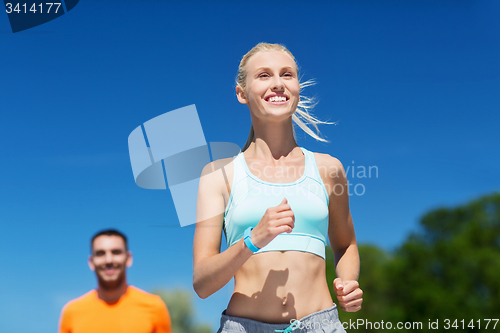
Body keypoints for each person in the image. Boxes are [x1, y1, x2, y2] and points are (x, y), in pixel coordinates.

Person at [193, 43, 363, 333]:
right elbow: (202, 283)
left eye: (287, 74)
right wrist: (253, 239)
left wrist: (349, 282)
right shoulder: (217, 175)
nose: (278, 84)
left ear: (297, 86)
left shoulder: (329, 168)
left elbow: (345, 244)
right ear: (241, 93)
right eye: (264, 75)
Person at [59, 229, 172, 333]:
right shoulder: (71, 312)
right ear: (91, 262)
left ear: (128, 258)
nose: (109, 260)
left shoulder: (154, 307)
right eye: (100, 253)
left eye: (116, 252)